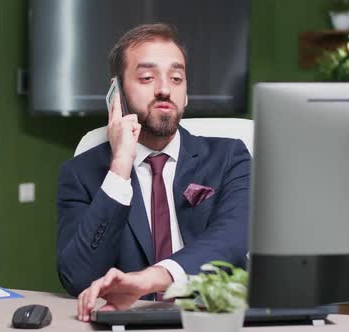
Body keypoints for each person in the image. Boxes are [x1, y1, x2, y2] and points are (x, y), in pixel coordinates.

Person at [56, 23, 251, 322]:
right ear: (117, 92)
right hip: (128, 323)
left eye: (176, 78)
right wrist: (120, 166)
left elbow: (233, 239)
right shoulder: (80, 173)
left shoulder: (229, 157)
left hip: (213, 320)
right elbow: (77, 277)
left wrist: (150, 278)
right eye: (147, 77)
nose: (164, 88)